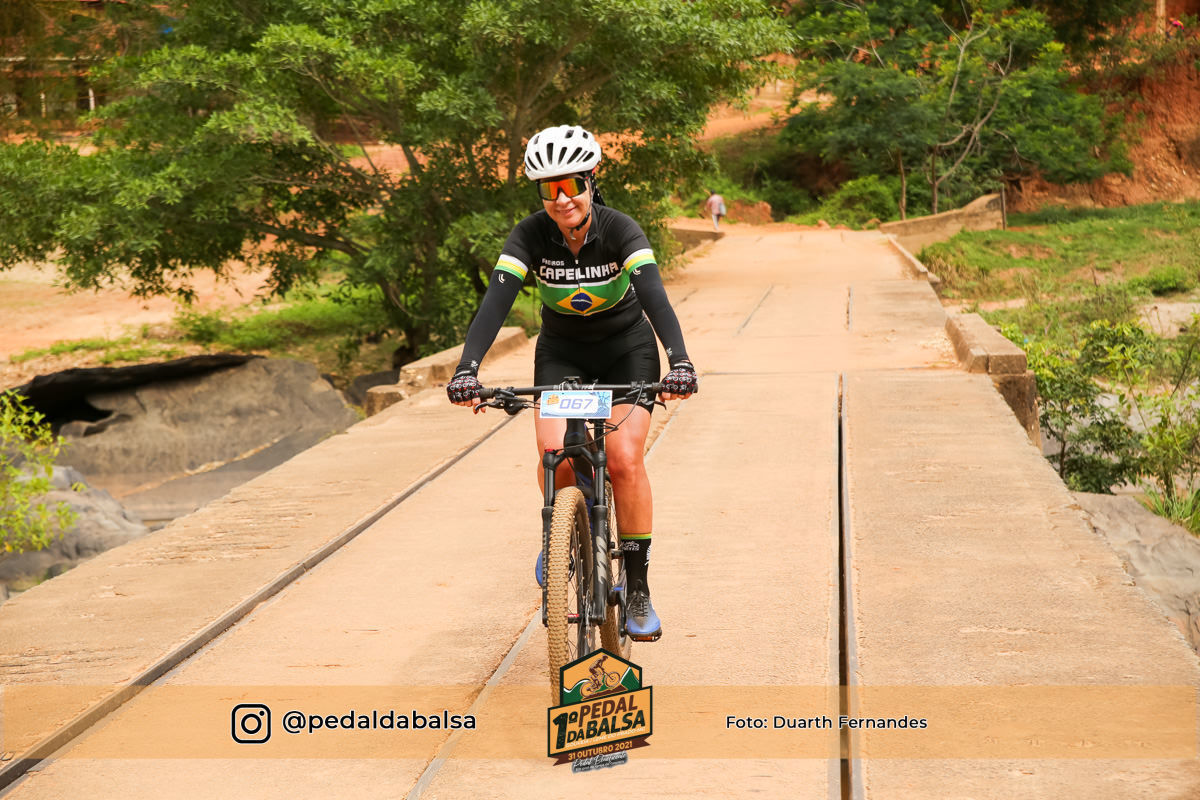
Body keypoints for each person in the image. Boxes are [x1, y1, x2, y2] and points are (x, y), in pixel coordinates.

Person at [446, 124, 698, 642]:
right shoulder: (529, 236)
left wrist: (680, 362)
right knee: (553, 454)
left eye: (571, 185)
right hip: (562, 354)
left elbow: (656, 298)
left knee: (624, 459)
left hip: (626, 351)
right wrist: (467, 369)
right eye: (549, 189)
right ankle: (564, 528)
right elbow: (495, 303)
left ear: (591, 180)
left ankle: (638, 583)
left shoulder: (620, 230)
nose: (562, 199)